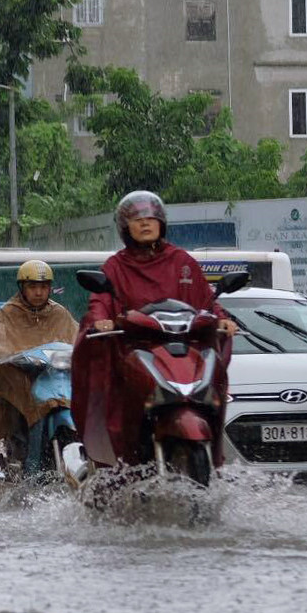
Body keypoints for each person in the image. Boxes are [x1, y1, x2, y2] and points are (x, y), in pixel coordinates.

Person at [71, 191, 238, 468]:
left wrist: (221, 318)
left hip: (184, 354)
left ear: (162, 223)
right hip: (137, 356)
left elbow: (206, 300)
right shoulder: (115, 266)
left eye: (151, 218)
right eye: (137, 220)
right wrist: (101, 320)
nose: (145, 223)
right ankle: (120, 459)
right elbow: (99, 302)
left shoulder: (182, 261)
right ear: (126, 228)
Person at [0, 260, 79, 446]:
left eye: (44, 286)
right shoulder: (9, 312)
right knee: (22, 407)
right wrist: (13, 358)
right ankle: (23, 454)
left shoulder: (59, 313)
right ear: (22, 287)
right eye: (33, 286)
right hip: (21, 377)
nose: (39, 292)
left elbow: (76, 338)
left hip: (54, 378)